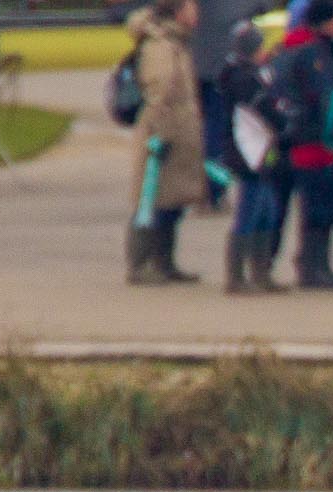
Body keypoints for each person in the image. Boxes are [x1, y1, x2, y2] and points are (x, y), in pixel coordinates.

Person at [267, 0, 333, 288]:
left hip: (285, 141)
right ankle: (314, 268)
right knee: (319, 208)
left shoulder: (284, 49)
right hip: (312, 143)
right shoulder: (315, 53)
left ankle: (265, 267)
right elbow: (324, 98)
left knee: (277, 208)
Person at [126, 0, 205, 286]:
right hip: (162, 138)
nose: (197, 13)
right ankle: (141, 264)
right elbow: (160, 92)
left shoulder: (178, 42)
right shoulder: (160, 46)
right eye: (191, 7)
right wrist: (161, 135)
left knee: (172, 202)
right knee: (150, 201)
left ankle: (165, 262)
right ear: (178, 12)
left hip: (180, 135)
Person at [216, 20, 287, 293]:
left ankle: (260, 272)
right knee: (250, 211)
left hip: (262, 149)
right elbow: (264, 108)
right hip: (249, 151)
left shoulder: (250, 73)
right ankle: (236, 277)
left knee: (267, 211)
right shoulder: (242, 78)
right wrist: (284, 121)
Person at [188, 0, 252, 207]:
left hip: (197, 65)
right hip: (218, 69)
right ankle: (213, 189)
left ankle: (207, 187)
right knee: (218, 131)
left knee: (205, 130)